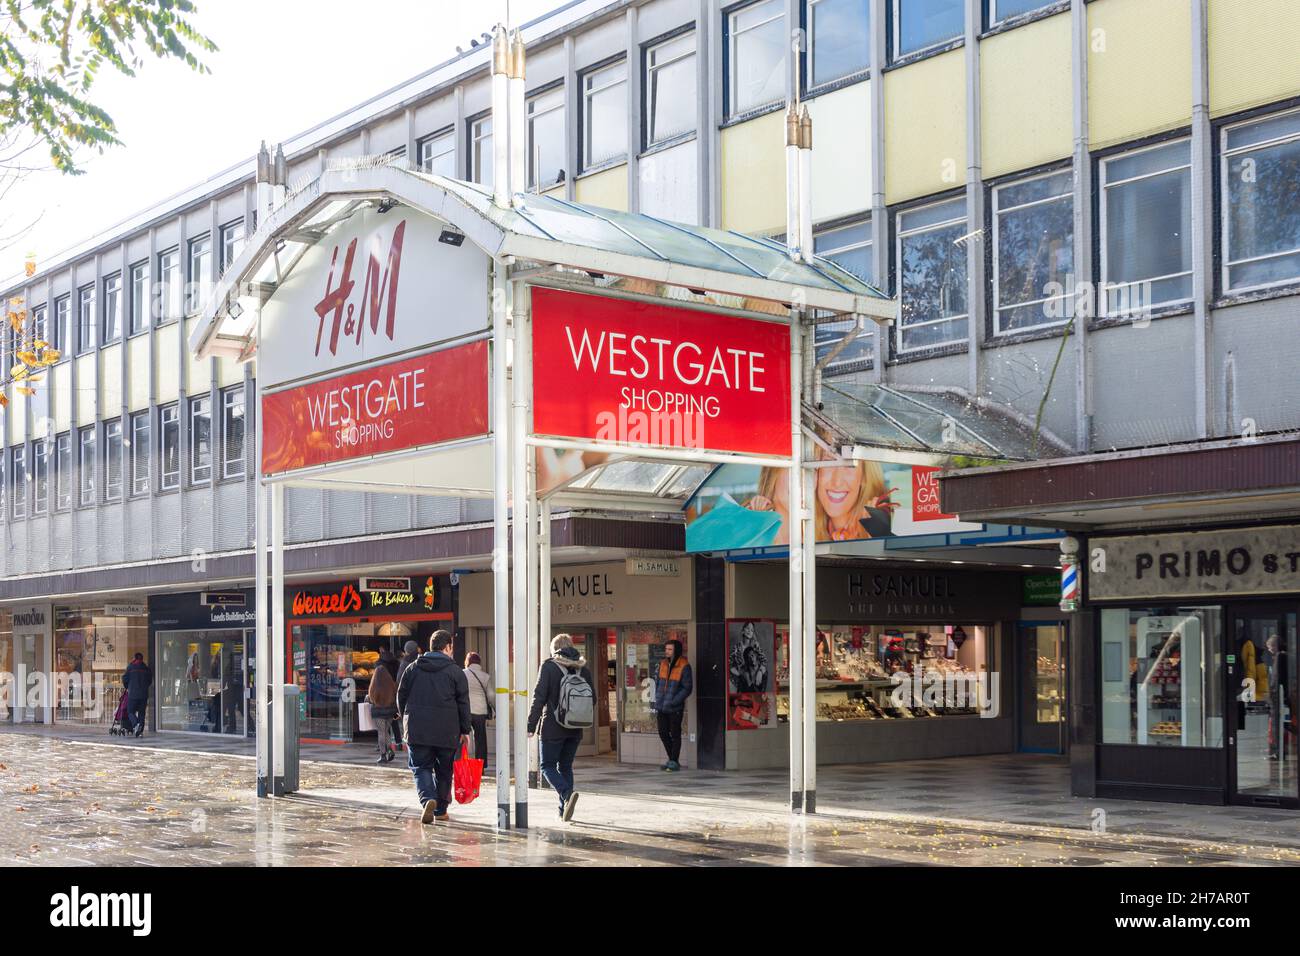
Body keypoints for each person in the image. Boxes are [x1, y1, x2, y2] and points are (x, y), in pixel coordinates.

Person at [396, 630, 470, 823]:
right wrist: (465, 729)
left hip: (417, 729)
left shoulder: (413, 668)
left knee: (421, 767)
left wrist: (407, 717)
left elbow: (401, 696)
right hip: (447, 730)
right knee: (445, 770)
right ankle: (441, 810)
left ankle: (428, 798)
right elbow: (463, 703)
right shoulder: (456, 672)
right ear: (447, 647)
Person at [527, 634, 593, 822]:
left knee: (546, 766)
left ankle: (566, 793)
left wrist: (531, 725)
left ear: (554, 649)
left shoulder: (548, 667)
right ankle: (563, 810)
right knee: (565, 766)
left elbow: (539, 697)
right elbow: (593, 699)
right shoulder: (583, 668)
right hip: (575, 728)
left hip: (552, 727)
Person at [651, 639, 693, 771]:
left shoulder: (684, 665)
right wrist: (657, 699)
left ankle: (673, 760)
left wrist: (674, 701)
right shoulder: (663, 664)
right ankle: (672, 760)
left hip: (674, 707)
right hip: (662, 706)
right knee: (663, 733)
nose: (667, 652)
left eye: (670, 649)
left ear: (676, 651)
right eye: (666, 649)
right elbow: (657, 682)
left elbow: (687, 688)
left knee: (675, 734)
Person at [367, 650, 399, 764]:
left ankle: (383, 755)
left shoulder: (374, 685)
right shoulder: (391, 684)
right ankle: (390, 749)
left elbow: (371, 698)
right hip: (390, 711)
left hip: (378, 711)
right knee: (386, 731)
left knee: (381, 732)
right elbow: (395, 696)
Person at [464, 652, 493, 762]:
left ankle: (460, 762)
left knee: (462, 736)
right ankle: (481, 765)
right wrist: (495, 709)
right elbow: (491, 695)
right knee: (480, 739)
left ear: (468, 662)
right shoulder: (485, 676)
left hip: (465, 711)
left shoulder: (462, 674)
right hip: (480, 712)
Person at [122, 653, 152, 738]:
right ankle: (140, 732)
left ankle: (136, 724)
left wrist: (128, 687)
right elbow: (149, 680)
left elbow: (124, 679)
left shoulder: (131, 667)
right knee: (142, 713)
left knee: (130, 711)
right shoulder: (146, 668)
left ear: (134, 658)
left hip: (133, 694)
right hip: (144, 694)